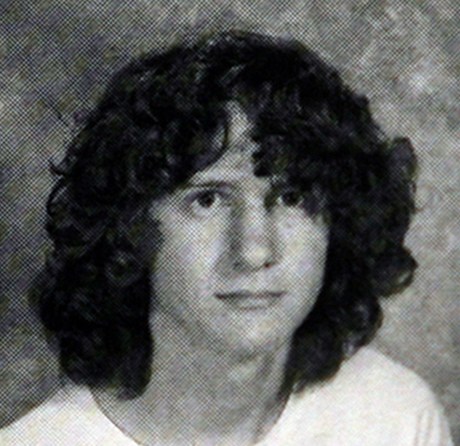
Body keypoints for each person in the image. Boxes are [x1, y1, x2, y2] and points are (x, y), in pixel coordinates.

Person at [1, 31, 453, 445]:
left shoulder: (396, 418)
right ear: (128, 228)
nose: (254, 251)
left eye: (291, 196)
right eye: (208, 199)